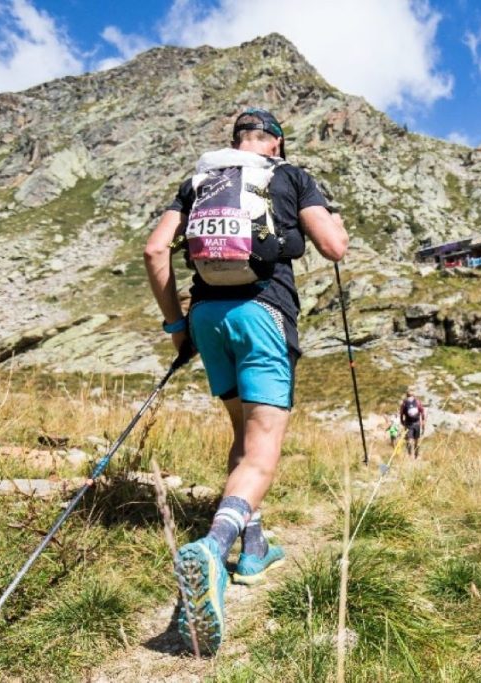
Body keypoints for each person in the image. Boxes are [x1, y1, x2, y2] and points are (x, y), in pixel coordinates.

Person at [144, 108, 348, 655]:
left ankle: (252, 548)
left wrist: (175, 326)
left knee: (240, 435)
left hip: (208, 317)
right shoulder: (290, 175)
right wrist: (331, 219)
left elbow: (154, 249)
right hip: (263, 313)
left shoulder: (201, 180)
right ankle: (213, 548)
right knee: (262, 450)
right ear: (275, 145)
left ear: (235, 143)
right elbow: (333, 247)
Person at [398, 389, 426, 458]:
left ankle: (410, 455)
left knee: (409, 440)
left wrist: (402, 421)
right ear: (413, 395)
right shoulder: (417, 402)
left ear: (406, 395)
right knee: (416, 440)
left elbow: (401, 413)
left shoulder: (404, 403)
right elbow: (422, 412)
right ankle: (416, 455)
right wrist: (423, 421)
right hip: (416, 423)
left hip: (408, 423)